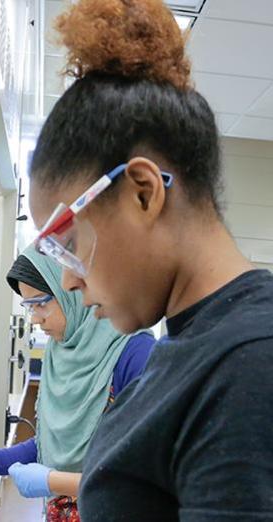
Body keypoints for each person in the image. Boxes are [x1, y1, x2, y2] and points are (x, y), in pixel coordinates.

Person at [25, 0, 273, 520]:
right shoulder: (192, 348)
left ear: (142, 193)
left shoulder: (250, 365)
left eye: (67, 245)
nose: (69, 278)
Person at [0, 246, 155, 520]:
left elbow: (145, 477)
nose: (35, 319)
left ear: (73, 289)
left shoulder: (135, 353)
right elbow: (46, 445)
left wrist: (52, 481)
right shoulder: (60, 350)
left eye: (41, 303)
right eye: (28, 307)